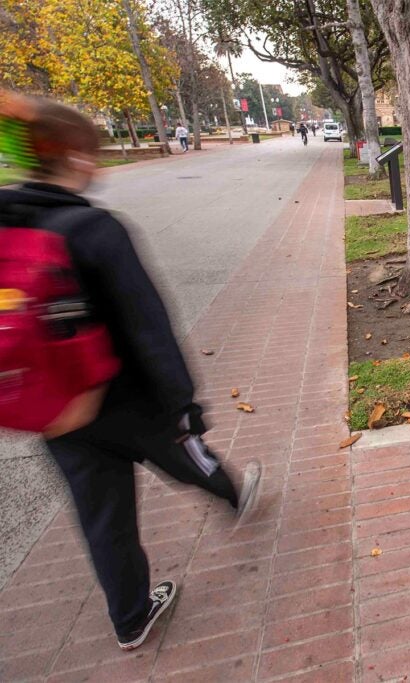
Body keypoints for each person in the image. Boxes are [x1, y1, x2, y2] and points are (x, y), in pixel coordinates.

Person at [0, 94, 261, 653]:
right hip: (126, 399)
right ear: (71, 155)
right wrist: (181, 403)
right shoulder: (94, 229)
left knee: (103, 517)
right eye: (89, 154)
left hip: (56, 409)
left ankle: (130, 617)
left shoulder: (5, 224)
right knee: (190, 458)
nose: (94, 166)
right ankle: (236, 497)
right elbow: (149, 328)